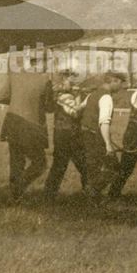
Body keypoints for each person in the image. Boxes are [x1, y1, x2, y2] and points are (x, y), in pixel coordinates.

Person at [0, 52, 53, 203]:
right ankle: (16, 190)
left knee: (16, 162)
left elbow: (2, 97)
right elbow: (50, 107)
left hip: (12, 123)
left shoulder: (15, 75)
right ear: (40, 63)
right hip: (31, 126)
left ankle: (14, 197)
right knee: (40, 164)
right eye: (47, 63)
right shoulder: (45, 80)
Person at [79, 71, 126, 203]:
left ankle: (93, 201)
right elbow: (104, 122)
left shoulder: (92, 94)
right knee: (114, 169)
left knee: (93, 167)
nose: (121, 87)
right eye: (120, 83)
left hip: (86, 134)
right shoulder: (106, 98)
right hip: (96, 136)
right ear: (114, 81)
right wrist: (108, 145)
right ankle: (92, 191)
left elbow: (79, 109)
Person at [42, 69, 87, 202]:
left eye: (74, 80)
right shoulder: (64, 96)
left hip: (64, 134)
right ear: (63, 80)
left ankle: (48, 196)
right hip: (67, 134)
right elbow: (75, 113)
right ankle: (90, 195)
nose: (73, 83)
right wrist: (83, 99)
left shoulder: (65, 95)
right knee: (80, 166)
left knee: (61, 166)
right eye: (70, 80)